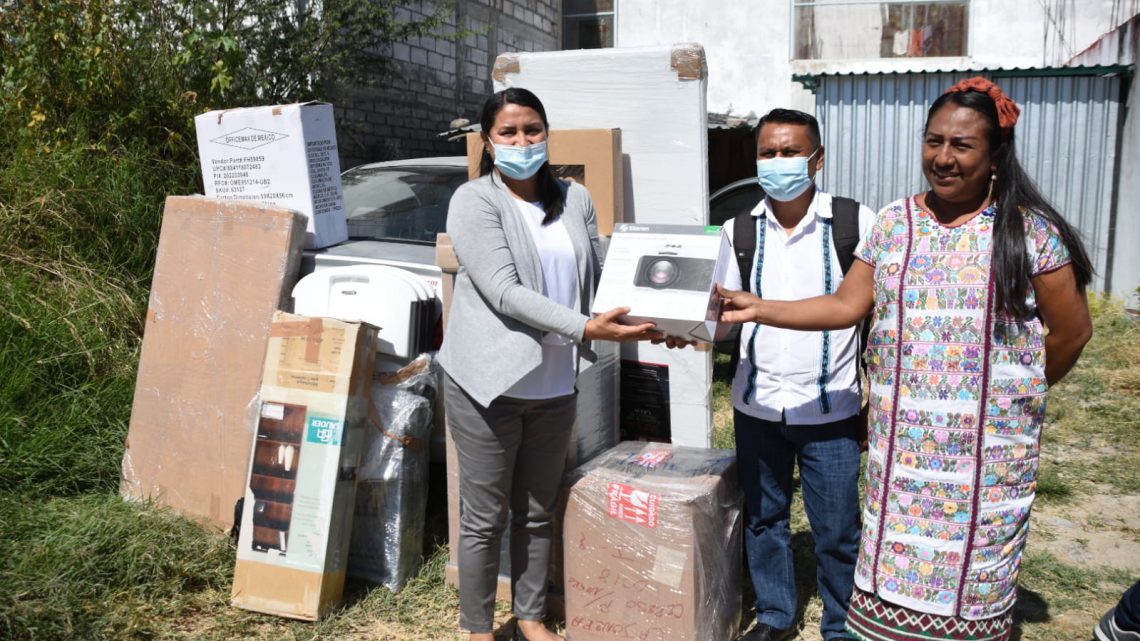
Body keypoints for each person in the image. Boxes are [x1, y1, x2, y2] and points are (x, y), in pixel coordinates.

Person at [718, 77, 1094, 641]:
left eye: (962, 145)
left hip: (984, 460)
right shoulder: (895, 224)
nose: (943, 158)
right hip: (904, 452)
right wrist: (760, 308)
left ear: (994, 155)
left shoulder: (1028, 232)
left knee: (970, 584)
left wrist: (1012, 397)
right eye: (933, 141)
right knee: (893, 574)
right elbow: (846, 304)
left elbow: (1071, 333)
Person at [438, 87, 660, 641]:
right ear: (488, 142)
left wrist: (669, 314)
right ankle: (477, 629)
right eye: (508, 133)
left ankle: (531, 617)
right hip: (488, 383)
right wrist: (585, 326)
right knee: (485, 518)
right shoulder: (474, 201)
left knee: (538, 510)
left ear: (546, 133)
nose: (522, 141)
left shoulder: (576, 198)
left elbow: (607, 271)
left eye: (532, 130)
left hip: (556, 382)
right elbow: (504, 292)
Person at [725, 108, 874, 641]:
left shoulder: (856, 223)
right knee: (765, 519)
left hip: (829, 405)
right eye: (768, 152)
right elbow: (722, 319)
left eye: (790, 152)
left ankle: (842, 625)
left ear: (817, 159)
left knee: (837, 529)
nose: (778, 162)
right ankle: (775, 616)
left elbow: (869, 313)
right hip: (757, 404)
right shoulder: (738, 229)